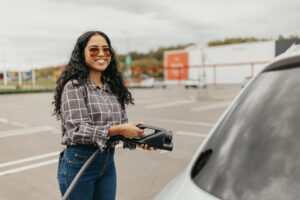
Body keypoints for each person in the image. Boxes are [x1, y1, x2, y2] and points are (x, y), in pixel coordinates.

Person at [53, 30, 153, 200]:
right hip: (79, 163)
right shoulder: (74, 86)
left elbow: (120, 128)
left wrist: (139, 139)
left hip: (107, 164)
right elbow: (77, 130)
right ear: (81, 53)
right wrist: (120, 129)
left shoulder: (112, 88)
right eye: (94, 49)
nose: (101, 54)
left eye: (106, 50)